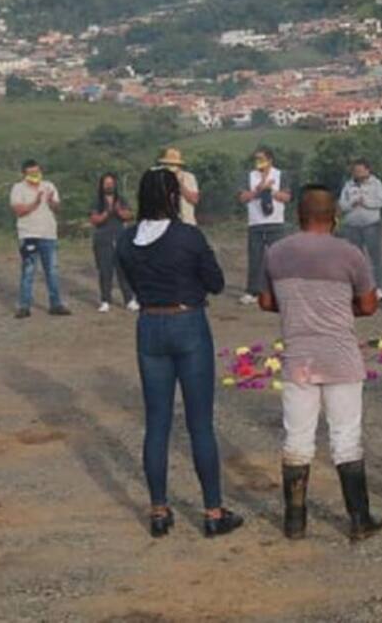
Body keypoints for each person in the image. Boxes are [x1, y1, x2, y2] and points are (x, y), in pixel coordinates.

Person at [117, 168, 242, 539]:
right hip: (187, 322)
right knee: (199, 423)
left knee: (156, 424)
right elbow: (216, 283)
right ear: (173, 198)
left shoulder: (125, 240)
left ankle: (158, 510)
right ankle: (213, 510)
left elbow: (131, 282)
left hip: (149, 326)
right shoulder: (187, 236)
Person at [259, 186, 382, 542]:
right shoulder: (350, 253)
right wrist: (342, 308)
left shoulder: (276, 252)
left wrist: (300, 306)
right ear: (335, 217)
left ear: (299, 215)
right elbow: (369, 305)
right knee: (346, 437)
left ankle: (295, 521)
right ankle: (359, 519)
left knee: (297, 437)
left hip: (299, 355)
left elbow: (266, 302)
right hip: (341, 356)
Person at [10, 159, 70, 319]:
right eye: (31, 173)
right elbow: (18, 210)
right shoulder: (18, 188)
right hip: (28, 234)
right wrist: (35, 203)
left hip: (48, 234)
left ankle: (56, 304)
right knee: (28, 270)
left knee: (52, 270)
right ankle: (24, 306)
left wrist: (51, 202)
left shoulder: (49, 186)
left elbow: (58, 208)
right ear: (24, 174)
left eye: (36, 171)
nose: (35, 175)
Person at [238, 149, 291, 306]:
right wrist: (258, 190)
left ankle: (280, 292)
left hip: (276, 222)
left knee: (278, 258)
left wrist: (271, 190)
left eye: (261, 159)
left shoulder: (280, 174)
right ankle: (252, 291)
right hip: (255, 222)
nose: (258, 162)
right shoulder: (249, 176)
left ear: (270, 160)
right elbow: (242, 198)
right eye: (256, 159)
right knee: (255, 258)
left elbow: (287, 197)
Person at [89, 172, 138, 313]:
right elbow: (94, 219)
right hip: (103, 239)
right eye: (106, 183)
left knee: (124, 270)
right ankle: (105, 301)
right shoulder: (96, 201)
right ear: (102, 185)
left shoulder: (121, 199)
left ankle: (129, 300)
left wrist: (118, 210)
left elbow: (129, 215)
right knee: (105, 271)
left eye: (111, 183)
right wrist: (106, 213)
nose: (109, 185)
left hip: (121, 238)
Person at [339, 159, 382, 301]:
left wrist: (365, 202)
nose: (357, 173)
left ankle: (378, 288)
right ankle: (358, 289)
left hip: (371, 224)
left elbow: (380, 202)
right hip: (352, 226)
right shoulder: (348, 185)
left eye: (360, 170)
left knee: (375, 258)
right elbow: (342, 205)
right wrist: (352, 203)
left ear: (368, 170)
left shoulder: (376, 184)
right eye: (355, 170)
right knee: (355, 259)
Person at [157, 148, 200, 225]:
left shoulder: (189, 177)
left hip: (186, 222)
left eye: (173, 164)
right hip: (166, 224)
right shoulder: (159, 179)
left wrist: (179, 182)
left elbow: (194, 200)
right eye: (168, 164)